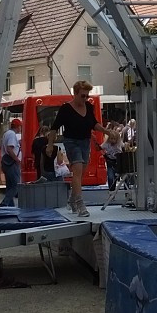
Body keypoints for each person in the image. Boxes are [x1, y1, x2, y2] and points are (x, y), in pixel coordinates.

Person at [47, 80, 109, 217]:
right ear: (75, 94)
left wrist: (108, 132)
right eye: (83, 96)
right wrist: (50, 145)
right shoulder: (66, 109)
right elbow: (54, 128)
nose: (85, 99)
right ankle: (80, 204)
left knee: (81, 173)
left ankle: (72, 199)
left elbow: (94, 123)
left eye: (87, 96)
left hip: (85, 141)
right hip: (71, 141)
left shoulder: (88, 106)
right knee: (78, 169)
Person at [0, 118, 23, 207]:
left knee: (9, 186)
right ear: (18, 127)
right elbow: (10, 149)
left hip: (6, 162)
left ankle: (10, 206)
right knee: (15, 185)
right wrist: (17, 160)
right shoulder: (12, 135)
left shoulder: (7, 134)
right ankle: (5, 203)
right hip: (12, 163)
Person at [101, 124, 124, 192]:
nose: (112, 141)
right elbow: (100, 147)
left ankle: (114, 187)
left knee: (118, 176)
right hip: (110, 161)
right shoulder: (107, 144)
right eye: (111, 138)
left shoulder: (119, 144)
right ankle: (111, 190)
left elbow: (123, 147)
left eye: (114, 139)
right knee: (110, 177)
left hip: (118, 162)